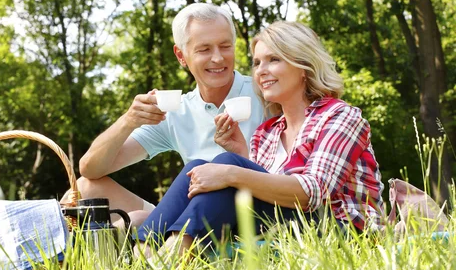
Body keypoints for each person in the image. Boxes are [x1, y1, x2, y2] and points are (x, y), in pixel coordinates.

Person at [135, 21, 385, 256]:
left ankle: (171, 259)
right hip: (287, 226)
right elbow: (261, 194)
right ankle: (144, 252)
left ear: (303, 67)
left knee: (225, 168)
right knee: (198, 166)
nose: (261, 71)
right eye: (257, 63)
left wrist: (232, 171)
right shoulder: (267, 132)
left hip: (344, 231)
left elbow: (313, 194)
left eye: (273, 60)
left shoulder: (339, 116)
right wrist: (241, 155)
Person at [73, 3, 265, 225]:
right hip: (190, 212)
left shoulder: (265, 93)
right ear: (181, 56)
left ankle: (146, 246)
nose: (218, 58)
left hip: (253, 210)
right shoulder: (175, 111)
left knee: (135, 220)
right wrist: (128, 121)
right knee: (86, 187)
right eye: (204, 49)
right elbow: (91, 168)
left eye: (225, 46)